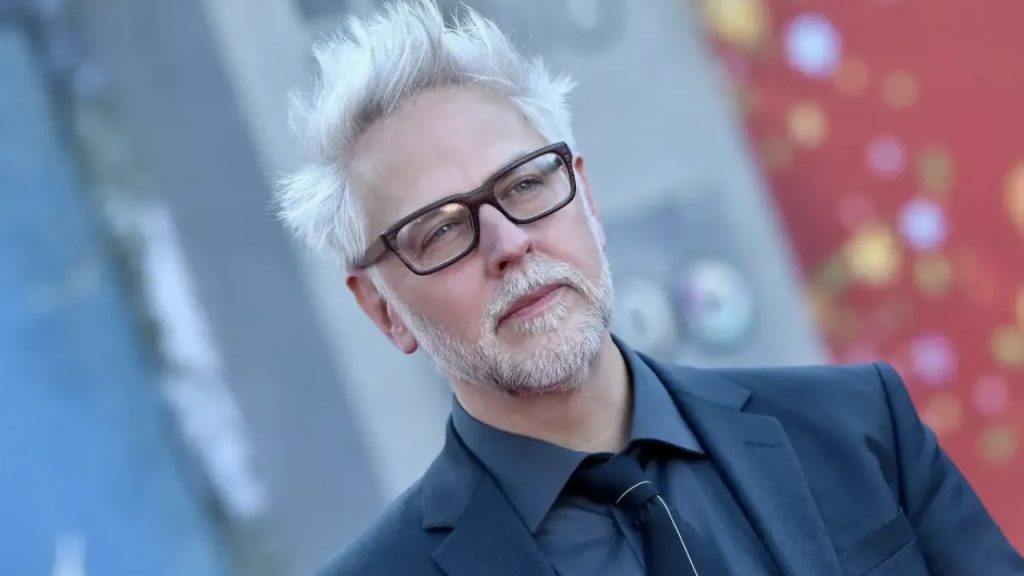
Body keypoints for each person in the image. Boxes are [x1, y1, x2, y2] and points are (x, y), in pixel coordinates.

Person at [275, 1, 1024, 574]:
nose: (508, 243)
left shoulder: (858, 426)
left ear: (587, 197)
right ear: (383, 310)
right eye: (440, 230)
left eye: (526, 184)